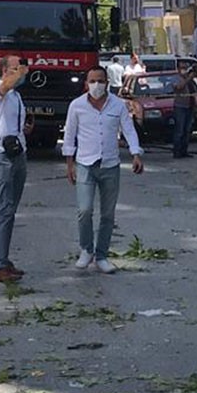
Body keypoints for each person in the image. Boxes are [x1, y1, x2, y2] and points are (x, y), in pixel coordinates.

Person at [62, 63, 144, 274]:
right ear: (86, 84)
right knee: (85, 210)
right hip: (85, 164)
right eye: (92, 81)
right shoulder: (77, 106)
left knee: (107, 214)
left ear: (107, 83)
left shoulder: (117, 105)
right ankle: (86, 249)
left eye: (100, 81)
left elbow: (128, 129)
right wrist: (69, 164)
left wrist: (136, 154)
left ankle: (102, 255)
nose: (96, 85)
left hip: (110, 165)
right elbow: (69, 136)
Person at [0, 55, 32, 284]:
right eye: (14, 68)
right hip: (0, 156)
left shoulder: (17, 97)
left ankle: (4, 259)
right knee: (3, 210)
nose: (20, 72)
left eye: (21, 68)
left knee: (11, 210)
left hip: (17, 153)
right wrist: (18, 75)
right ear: (3, 71)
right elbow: (4, 87)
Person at [168, 63, 197, 159]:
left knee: (187, 130)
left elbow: (194, 91)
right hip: (180, 107)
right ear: (178, 69)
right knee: (179, 130)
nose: (184, 70)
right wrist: (188, 78)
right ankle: (177, 152)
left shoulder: (190, 79)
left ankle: (184, 151)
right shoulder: (175, 78)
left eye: (185, 68)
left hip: (190, 106)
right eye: (182, 68)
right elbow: (179, 87)